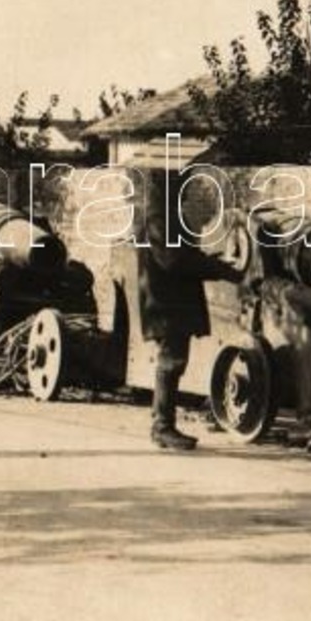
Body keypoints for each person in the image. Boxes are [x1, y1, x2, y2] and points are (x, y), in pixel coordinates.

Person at [134, 168, 242, 451]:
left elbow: (182, 255)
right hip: (166, 302)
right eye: (180, 187)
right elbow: (176, 260)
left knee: (173, 362)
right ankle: (162, 427)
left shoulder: (163, 216)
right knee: (171, 362)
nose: (186, 193)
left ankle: (164, 425)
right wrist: (221, 269)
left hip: (169, 300)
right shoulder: (160, 219)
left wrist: (210, 262)